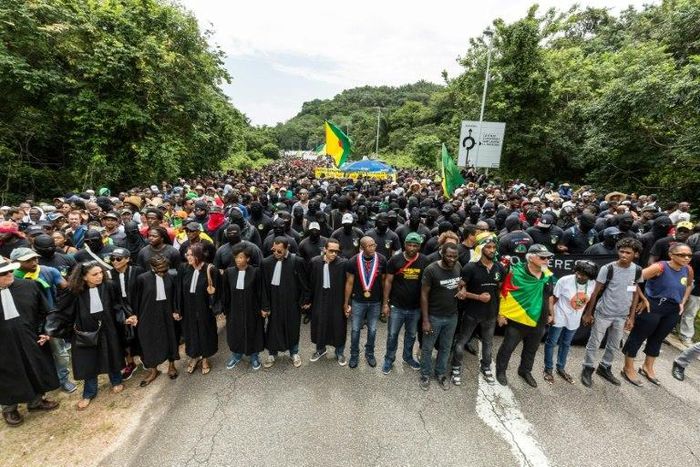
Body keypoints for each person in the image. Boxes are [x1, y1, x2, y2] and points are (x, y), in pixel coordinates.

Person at [48, 261, 134, 410]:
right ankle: (89, 392)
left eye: (101, 272)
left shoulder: (109, 286)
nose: (100, 276)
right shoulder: (74, 291)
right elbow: (62, 312)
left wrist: (124, 317)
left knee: (112, 354)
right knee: (88, 361)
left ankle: (116, 380)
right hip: (85, 332)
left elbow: (117, 306)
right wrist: (51, 330)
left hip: (108, 328)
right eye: (95, 274)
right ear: (84, 277)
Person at [621, 242, 693, 386]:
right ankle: (628, 367)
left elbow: (689, 285)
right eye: (682, 255)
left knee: (658, 338)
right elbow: (633, 279)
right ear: (671, 255)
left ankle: (648, 367)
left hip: (672, 309)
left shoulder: (688, 269)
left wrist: (682, 302)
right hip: (653, 306)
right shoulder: (659, 267)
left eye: (689, 255)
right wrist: (642, 298)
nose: (686, 258)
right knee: (638, 336)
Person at [0, 257, 60, 426]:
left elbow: (47, 312)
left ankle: (36, 401)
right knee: (8, 375)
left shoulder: (29, 286)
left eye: (10, 270)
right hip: (3, 346)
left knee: (35, 368)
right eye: (4, 273)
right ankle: (9, 408)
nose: (10, 275)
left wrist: (46, 331)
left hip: (31, 338)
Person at [10, 247, 77, 393]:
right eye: (28, 260)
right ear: (16, 263)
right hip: (27, 324)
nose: (34, 262)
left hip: (49, 320)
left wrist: (60, 308)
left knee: (59, 352)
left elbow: (65, 288)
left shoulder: (48, 271)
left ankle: (63, 379)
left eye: (35, 258)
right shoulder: (11, 279)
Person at [580, 238, 645, 387]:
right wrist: (588, 313)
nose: (623, 255)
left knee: (614, 344)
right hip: (604, 312)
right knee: (594, 342)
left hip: (622, 315)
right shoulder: (608, 269)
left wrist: (631, 316)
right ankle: (588, 367)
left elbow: (635, 293)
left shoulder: (637, 270)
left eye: (628, 252)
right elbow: (596, 292)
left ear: (635, 254)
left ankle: (605, 367)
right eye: (621, 251)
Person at [495, 244, 555, 387]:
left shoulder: (547, 274)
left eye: (548, 258)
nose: (546, 260)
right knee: (508, 347)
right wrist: (501, 314)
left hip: (539, 320)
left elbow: (549, 295)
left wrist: (551, 313)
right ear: (531, 258)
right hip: (519, 319)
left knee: (531, 349)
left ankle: (525, 371)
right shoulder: (515, 273)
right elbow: (504, 294)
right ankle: (500, 371)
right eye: (543, 257)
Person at [450, 237, 504, 385]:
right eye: (488, 247)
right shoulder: (470, 268)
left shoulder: (499, 267)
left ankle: (486, 367)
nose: (492, 250)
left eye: (494, 247)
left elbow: (500, 292)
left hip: (491, 314)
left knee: (488, 343)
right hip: (472, 313)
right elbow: (459, 289)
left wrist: (500, 313)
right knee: (462, 341)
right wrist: (477, 297)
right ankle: (456, 367)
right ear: (480, 249)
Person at [381, 233, 429, 375]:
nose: (412, 248)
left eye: (415, 246)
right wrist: (385, 304)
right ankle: (389, 359)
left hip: (415, 308)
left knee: (411, 335)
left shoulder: (424, 261)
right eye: (409, 245)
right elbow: (388, 282)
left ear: (419, 246)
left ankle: (407, 357)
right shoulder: (395, 260)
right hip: (397, 306)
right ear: (405, 245)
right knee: (392, 335)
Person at [419, 243, 464, 390]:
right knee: (427, 347)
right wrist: (425, 320)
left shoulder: (458, 266)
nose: (452, 259)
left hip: (452, 316)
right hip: (434, 317)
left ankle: (440, 374)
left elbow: (460, 284)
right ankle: (425, 374)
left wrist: (462, 291)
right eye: (449, 256)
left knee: (446, 347)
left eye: (455, 256)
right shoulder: (431, 270)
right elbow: (424, 295)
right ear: (442, 254)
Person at [543, 260, 597, 384]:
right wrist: (550, 315)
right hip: (560, 315)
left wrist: (588, 313)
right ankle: (548, 369)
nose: (579, 276)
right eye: (578, 272)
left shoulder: (593, 283)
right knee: (551, 342)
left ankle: (561, 368)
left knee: (566, 343)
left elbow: (592, 298)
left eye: (583, 275)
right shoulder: (565, 280)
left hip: (574, 319)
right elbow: (554, 299)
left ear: (590, 276)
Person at [132, 254, 180, 386]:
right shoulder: (142, 279)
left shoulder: (171, 276)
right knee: (149, 341)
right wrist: (135, 315)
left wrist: (176, 310)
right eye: (160, 270)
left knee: (171, 337)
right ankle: (153, 370)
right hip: (147, 314)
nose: (163, 273)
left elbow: (176, 296)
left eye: (165, 269)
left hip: (167, 312)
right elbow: (136, 299)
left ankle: (171, 365)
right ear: (152, 267)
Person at [261, 237, 308, 368]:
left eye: (279, 251)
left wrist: (304, 301)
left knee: (293, 328)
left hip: (292, 303)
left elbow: (304, 283)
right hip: (274, 303)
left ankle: (294, 353)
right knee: (272, 329)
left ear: (287, 248)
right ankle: (272, 354)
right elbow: (263, 286)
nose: (276, 253)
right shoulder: (266, 263)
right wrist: (265, 306)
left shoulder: (297, 261)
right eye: (274, 250)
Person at [344, 236, 387, 369]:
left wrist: (385, 302)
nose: (373, 248)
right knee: (355, 330)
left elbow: (385, 282)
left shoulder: (382, 260)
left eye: (374, 245)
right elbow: (349, 283)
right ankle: (354, 354)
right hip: (358, 301)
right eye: (369, 246)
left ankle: (369, 353)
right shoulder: (352, 261)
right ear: (361, 248)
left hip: (375, 301)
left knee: (373, 330)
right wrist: (346, 302)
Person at [222, 244, 264, 370]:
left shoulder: (255, 272)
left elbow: (261, 292)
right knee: (235, 332)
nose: (238, 260)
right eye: (236, 257)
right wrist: (225, 309)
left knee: (253, 331)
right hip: (234, 310)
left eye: (241, 257)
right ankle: (236, 355)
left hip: (252, 310)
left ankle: (254, 356)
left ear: (248, 259)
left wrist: (264, 308)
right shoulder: (229, 272)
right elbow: (226, 293)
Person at [307, 238, 349, 365]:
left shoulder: (343, 264)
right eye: (331, 251)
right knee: (320, 323)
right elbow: (310, 283)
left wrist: (348, 303)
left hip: (337, 300)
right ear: (324, 249)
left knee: (338, 325)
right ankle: (320, 350)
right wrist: (307, 300)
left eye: (337, 251)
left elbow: (349, 284)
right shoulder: (315, 262)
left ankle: (339, 352)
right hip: (319, 298)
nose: (334, 254)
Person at [179, 243, 218, 375]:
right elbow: (179, 290)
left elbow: (218, 291)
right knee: (191, 333)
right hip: (188, 309)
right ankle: (194, 356)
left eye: (191, 255)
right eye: (187, 255)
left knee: (205, 332)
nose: (188, 257)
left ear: (199, 256)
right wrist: (177, 309)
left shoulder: (210, 269)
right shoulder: (184, 268)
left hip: (204, 309)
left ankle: (205, 358)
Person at [109, 247, 143, 380]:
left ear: (127, 259)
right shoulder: (109, 274)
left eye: (118, 259)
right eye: (112, 259)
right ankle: (130, 363)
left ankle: (144, 357)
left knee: (140, 333)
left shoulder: (137, 271)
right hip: (120, 308)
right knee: (124, 337)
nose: (115, 261)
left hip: (137, 305)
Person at [678, 248, 700, 345]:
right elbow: (687, 270)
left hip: (696, 290)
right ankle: (685, 336)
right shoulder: (697, 255)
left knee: (690, 313)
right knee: (688, 313)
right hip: (691, 287)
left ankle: (684, 335)